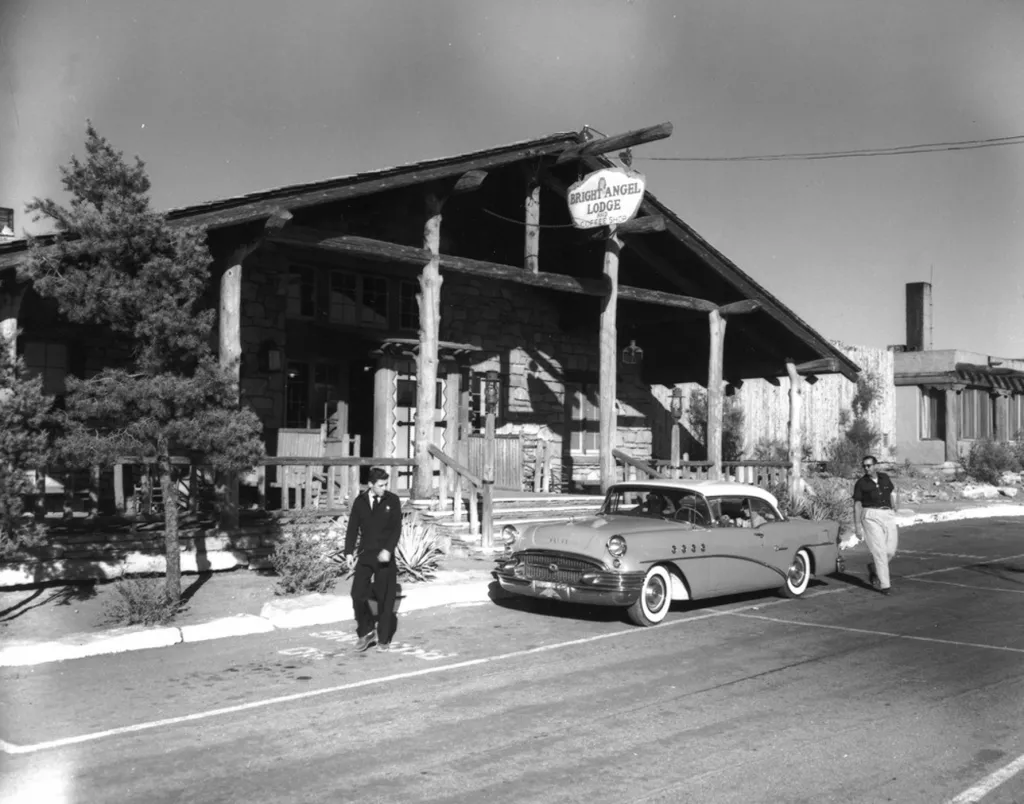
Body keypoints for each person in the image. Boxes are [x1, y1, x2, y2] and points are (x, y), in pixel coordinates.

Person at [344, 467, 403, 652]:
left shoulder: (392, 500)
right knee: (357, 594)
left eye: (386, 484)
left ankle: (384, 639)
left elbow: (396, 528)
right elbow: (352, 528)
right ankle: (367, 630)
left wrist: (388, 550)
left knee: (385, 598)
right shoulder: (360, 501)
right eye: (380, 485)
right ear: (370, 485)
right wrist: (348, 552)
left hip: (385, 556)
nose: (384, 488)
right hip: (365, 555)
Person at [852, 455, 900, 595]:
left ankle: (874, 568)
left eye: (869, 465)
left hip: (888, 514)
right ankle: (885, 586)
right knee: (879, 552)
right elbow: (857, 504)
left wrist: (895, 506)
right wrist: (857, 526)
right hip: (870, 516)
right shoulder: (861, 483)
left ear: (875, 466)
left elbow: (891, 493)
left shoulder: (885, 477)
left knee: (890, 550)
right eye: (864, 466)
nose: (866, 468)